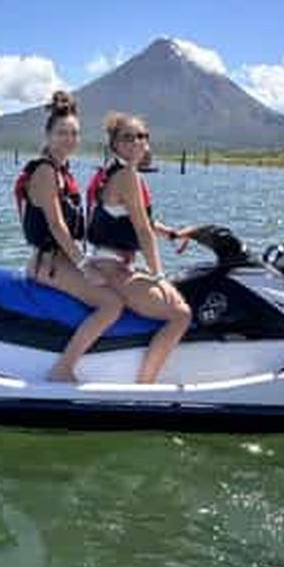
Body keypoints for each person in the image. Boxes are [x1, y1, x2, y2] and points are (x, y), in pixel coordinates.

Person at [14, 92, 123, 382]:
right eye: (62, 132)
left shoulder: (63, 171)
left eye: (74, 133)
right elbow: (57, 225)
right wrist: (85, 266)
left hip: (61, 259)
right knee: (112, 304)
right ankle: (63, 369)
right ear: (48, 135)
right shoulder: (45, 172)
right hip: (47, 264)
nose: (69, 139)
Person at [86, 112, 192, 383]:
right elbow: (143, 232)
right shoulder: (126, 176)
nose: (136, 142)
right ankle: (145, 386)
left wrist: (169, 234)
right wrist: (159, 277)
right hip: (112, 266)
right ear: (115, 144)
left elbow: (140, 220)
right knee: (181, 314)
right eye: (128, 137)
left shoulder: (119, 172)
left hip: (115, 262)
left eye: (142, 136)